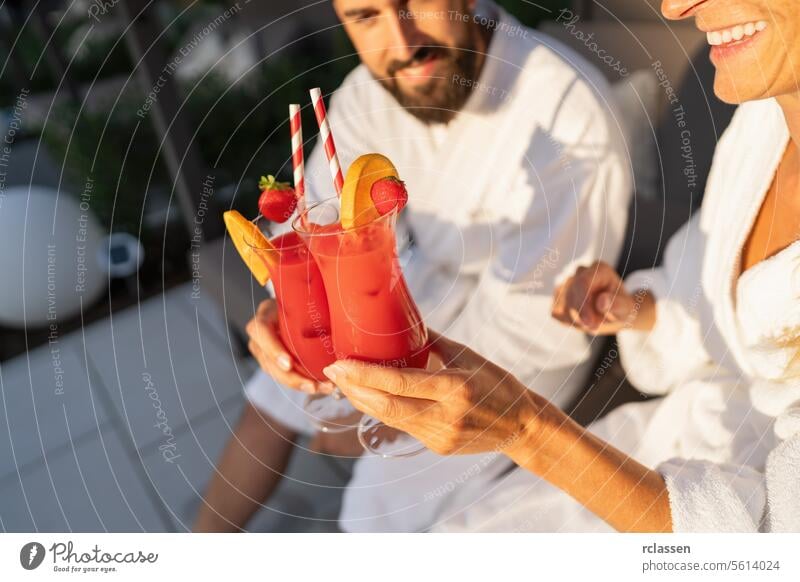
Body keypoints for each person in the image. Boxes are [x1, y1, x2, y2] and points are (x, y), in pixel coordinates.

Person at [327, 0, 800, 532]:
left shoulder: (563, 110)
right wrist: (633, 308)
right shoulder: (762, 124)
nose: (676, 6)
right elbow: (705, 298)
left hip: (707, 509)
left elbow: (763, 548)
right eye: (365, 16)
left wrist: (525, 427)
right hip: (676, 432)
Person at [194, 0, 631, 532]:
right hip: (423, 281)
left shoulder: (569, 113)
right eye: (366, 17)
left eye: (414, 4)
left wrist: (386, 406)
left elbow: (532, 327)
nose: (401, 46)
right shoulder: (365, 96)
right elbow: (310, 232)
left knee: (373, 513)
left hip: (525, 339)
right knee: (273, 397)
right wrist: (288, 315)